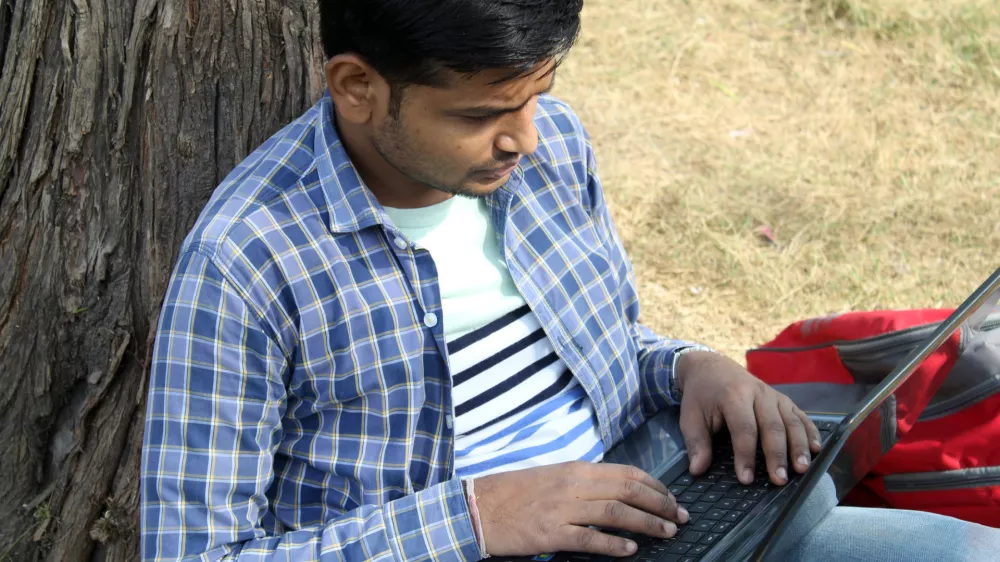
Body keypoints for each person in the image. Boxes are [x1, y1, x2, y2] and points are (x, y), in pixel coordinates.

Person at [139, 1, 1000, 561]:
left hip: (661, 511)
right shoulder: (247, 260)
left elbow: (602, 338)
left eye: (538, 96)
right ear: (358, 87)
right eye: (481, 116)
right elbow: (192, 552)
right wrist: (478, 518)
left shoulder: (550, 152)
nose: (527, 141)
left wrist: (689, 366)